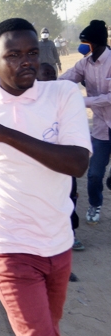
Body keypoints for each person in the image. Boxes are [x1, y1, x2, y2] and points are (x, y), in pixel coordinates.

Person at [0, 18, 91, 336]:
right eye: (14, 55)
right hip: (8, 244)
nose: (26, 61)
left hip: (58, 242)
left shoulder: (62, 95)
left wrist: (3, 133)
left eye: (32, 52)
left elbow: (77, 162)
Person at [60, 20, 111, 225]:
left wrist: (81, 101)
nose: (81, 46)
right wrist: (43, 87)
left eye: (85, 43)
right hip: (100, 129)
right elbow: (65, 79)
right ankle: (95, 203)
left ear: (96, 43)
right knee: (94, 175)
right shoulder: (85, 63)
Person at [38, 63, 84, 255]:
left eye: (51, 72)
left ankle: (70, 233)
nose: (49, 75)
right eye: (45, 72)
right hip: (42, 162)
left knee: (69, 195)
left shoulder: (64, 98)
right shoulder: (32, 102)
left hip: (64, 159)